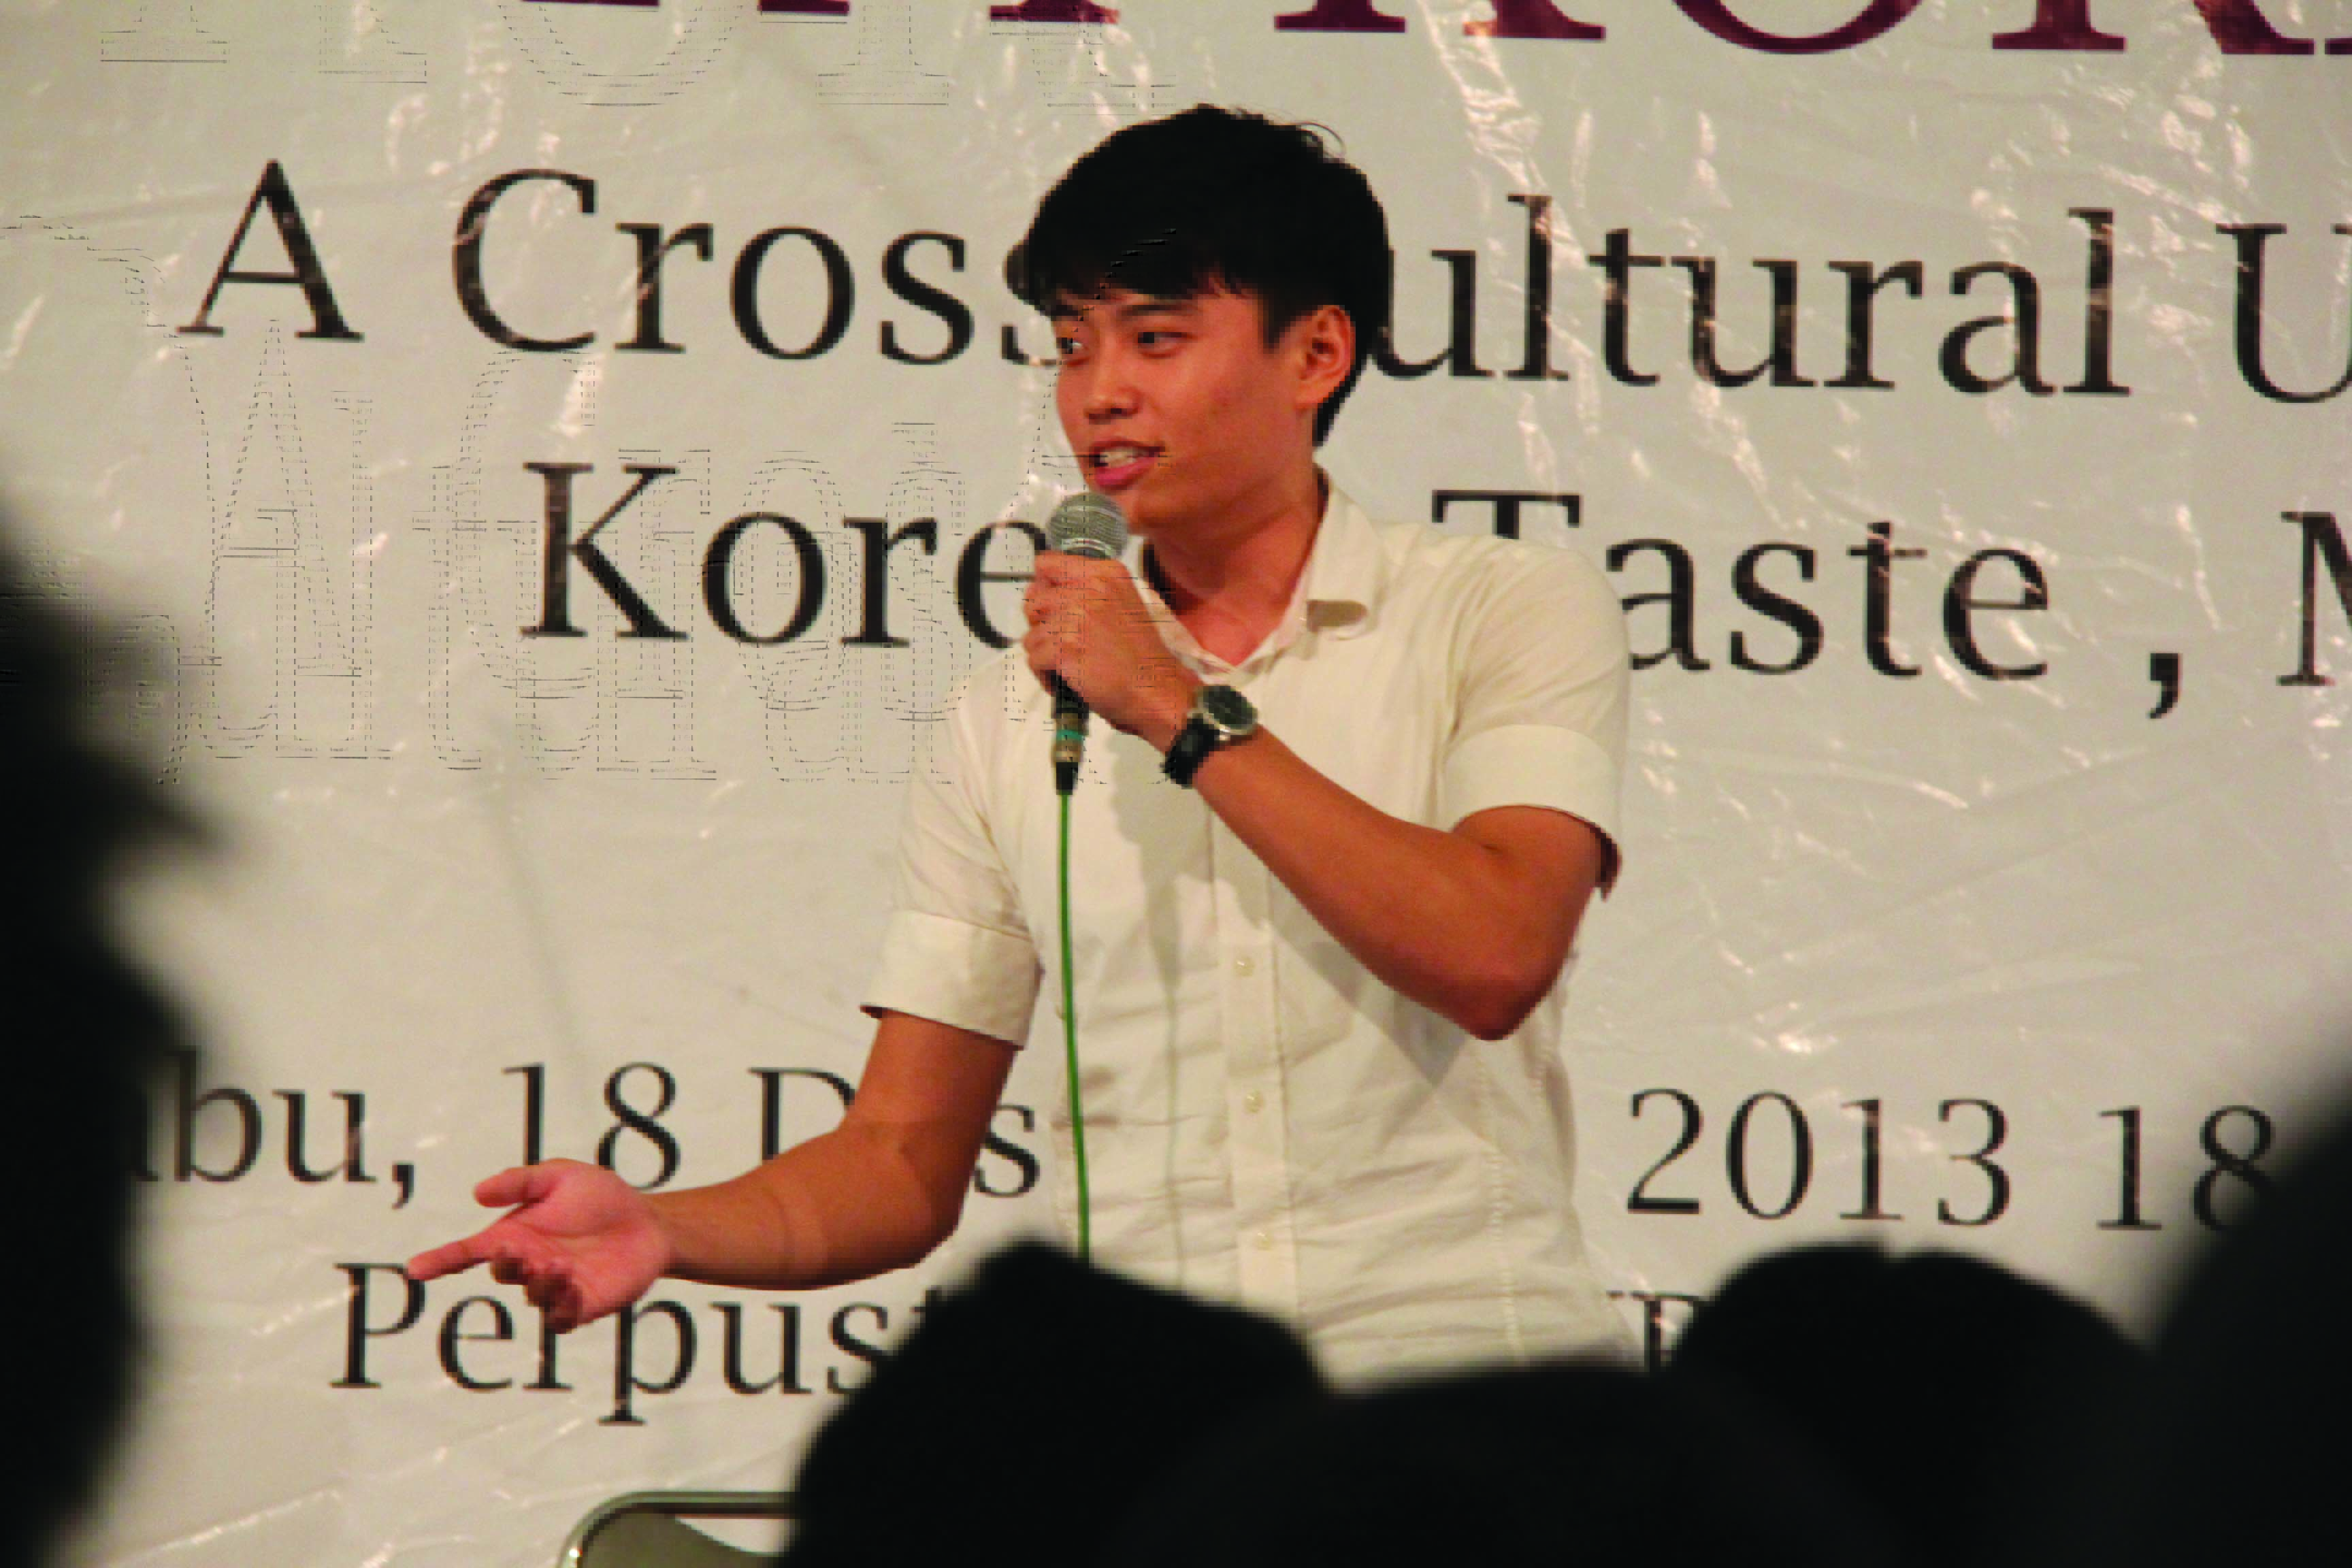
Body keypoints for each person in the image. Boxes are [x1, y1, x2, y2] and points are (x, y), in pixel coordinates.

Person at [409, 104, 1631, 1384]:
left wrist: (1176, 708)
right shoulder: (1006, 716)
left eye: (1156, 338)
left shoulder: (1501, 609)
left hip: (1475, 1410)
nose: (1100, 393)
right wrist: (667, 1228)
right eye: (1070, 345)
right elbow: (899, 1159)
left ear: (1317, 352)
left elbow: (1495, 954)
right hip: (1169, 1426)